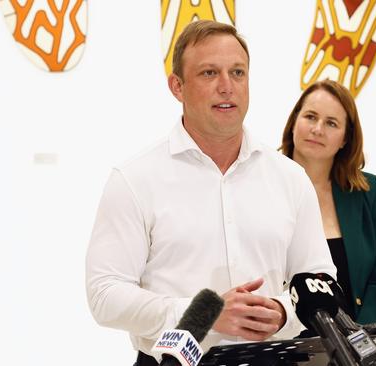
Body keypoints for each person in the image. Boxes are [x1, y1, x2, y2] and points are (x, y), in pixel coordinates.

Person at [85, 20, 336, 365]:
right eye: (208, 73)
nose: (226, 87)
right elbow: (104, 295)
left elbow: (319, 279)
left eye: (237, 72)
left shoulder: (290, 178)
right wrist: (205, 313)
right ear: (177, 86)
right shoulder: (134, 179)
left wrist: (282, 312)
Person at [279, 80, 376, 324]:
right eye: (310, 117)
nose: (317, 129)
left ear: (346, 138)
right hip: (279, 349)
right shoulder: (261, 184)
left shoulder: (369, 193)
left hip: (355, 350)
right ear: (294, 121)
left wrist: (358, 344)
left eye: (331, 123)